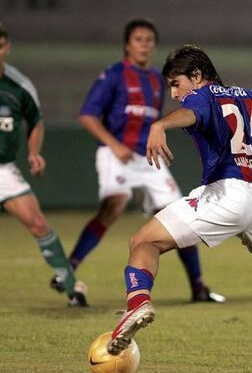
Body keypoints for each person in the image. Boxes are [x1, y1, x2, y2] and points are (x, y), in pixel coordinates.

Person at [105, 45, 252, 373]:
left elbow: (192, 113)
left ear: (197, 76)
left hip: (228, 193)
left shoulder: (203, 96)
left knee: (144, 242)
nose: (175, 93)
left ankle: (138, 303)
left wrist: (160, 125)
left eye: (176, 83)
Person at [50, 19, 224, 303]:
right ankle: (67, 270)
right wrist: (115, 145)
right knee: (114, 205)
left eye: (149, 40)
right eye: (138, 39)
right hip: (116, 154)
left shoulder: (158, 79)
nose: (144, 45)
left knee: (181, 217)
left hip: (147, 157)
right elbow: (88, 115)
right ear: (127, 45)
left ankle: (199, 286)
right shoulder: (114, 75)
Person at [0, 21, 87, 306]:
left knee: (37, 223)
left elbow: (35, 121)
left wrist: (34, 153)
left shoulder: (18, 87)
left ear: (7, 48)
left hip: (0, 167)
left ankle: (73, 287)